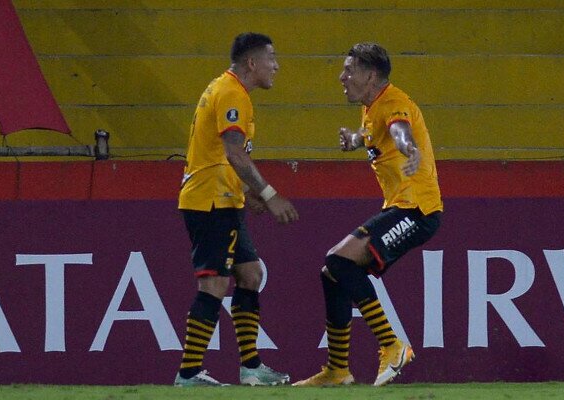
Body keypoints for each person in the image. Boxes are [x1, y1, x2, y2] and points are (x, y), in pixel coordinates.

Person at [293, 43, 443, 387]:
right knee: (332, 273)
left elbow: (398, 130)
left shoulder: (395, 104)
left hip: (417, 209)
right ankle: (337, 370)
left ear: (370, 75)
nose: (341, 76)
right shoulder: (373, 107)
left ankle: (392, 345)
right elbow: (376, 130)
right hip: (400, 207)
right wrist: (356, 140)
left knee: (339, 260)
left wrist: (411, 149)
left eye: (349, 70)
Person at [174, 32, 299, 387]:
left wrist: (248, 191)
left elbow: (216, 154)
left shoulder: (226, 89)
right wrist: (269, 193)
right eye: (271, 58)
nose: (276, 66)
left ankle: (251, 368)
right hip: (210, 201)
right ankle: (189, 373)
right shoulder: (232, 93)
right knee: (214, 283)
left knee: (251, 276)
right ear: (251, 63)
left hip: (225, 197)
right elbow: (234, 152)